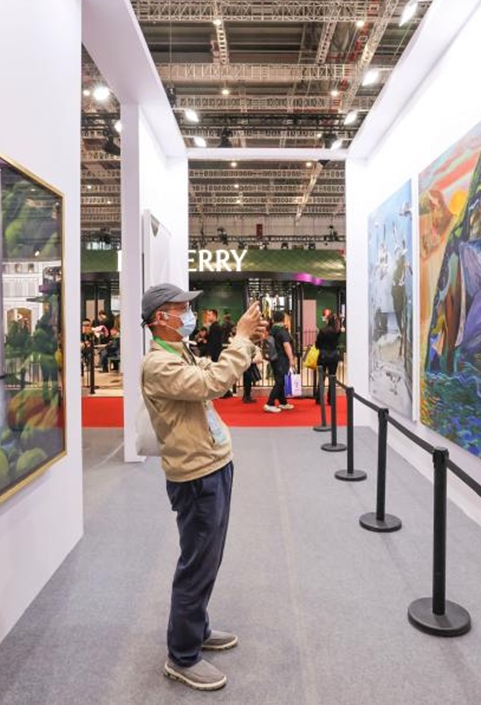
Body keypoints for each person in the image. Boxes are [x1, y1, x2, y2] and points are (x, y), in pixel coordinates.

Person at [140, 284, 267, 692]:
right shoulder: (158, 365)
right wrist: (242, 338)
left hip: (213, 463)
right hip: (195, 476)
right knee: (196, 563)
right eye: (181, 309)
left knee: (208, 559)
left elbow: (213, 377)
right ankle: (182, 655)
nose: (190, 315)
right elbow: (211, 384)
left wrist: (245, 346)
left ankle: (197, 628)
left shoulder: (181, 353)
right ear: (161, 318)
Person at [264, 310, 295, 413]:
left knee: (280, 380)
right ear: (283, 319)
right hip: (282, 359)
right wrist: (291, 359)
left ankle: (283, 402)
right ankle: (270, 403)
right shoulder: (282, 331)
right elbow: (286, 345)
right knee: (280, 381)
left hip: (274, 358)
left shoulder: (272, 330)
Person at [315, 313, 343, 404]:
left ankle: (319, 398)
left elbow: (317, 344)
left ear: (327, 321)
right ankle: (331, 399)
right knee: (332, 378)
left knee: (321, 378)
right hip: (334, 356)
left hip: (323, 356)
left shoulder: (322, 331)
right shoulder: (337, 332)